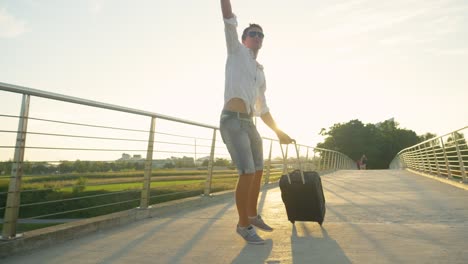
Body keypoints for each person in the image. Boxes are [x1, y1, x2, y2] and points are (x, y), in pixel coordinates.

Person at [219, 0, 294, 245]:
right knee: (247, 172)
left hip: (249, 123)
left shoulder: (260, 72)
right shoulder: (235, 51)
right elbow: (228, 17)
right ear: (243, 38)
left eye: (261, 35)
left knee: (259, 170)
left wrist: (279, 132)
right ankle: (243, 226)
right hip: (232, 121)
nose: (257, 37)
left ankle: (251, 215)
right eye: (253, 34)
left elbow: (263, 109)